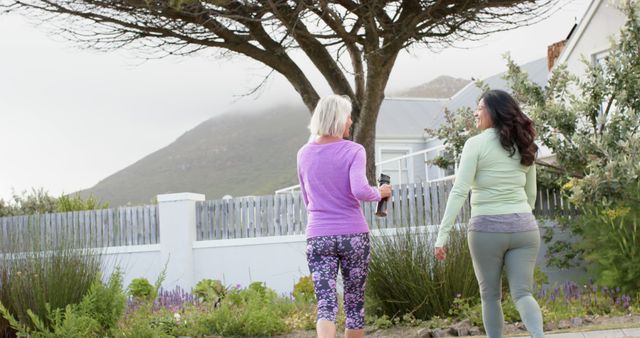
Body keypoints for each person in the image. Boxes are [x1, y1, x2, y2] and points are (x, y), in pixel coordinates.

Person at [434, 89, 544, 338]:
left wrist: (442, 236)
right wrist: (519, 217)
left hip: (487, 231)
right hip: (524, 228)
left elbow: (460, 191)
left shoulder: (475, 144)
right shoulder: (524, 144)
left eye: (480, 107)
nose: (475, 112)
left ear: (493, 112)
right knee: (523, 294)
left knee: (490, 296)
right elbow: (531, 196)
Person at [297, 94, 392, 338]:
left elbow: (306, 198)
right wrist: (379, 192)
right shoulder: (354, 150)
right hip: (353, 236)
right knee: (354, 302)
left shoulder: (304, 154)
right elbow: (359, 190)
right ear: (339, 119)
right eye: (348, 117)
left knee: (326, 304)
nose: (351, 121)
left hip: (319, 236)